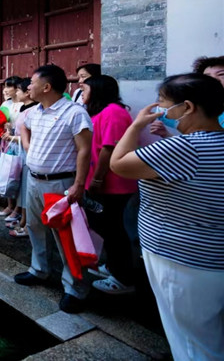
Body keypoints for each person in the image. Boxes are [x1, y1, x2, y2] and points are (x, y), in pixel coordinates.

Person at [110, 74, 224, 361]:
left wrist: (136, 125)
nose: (158, 109)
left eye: (162, 102)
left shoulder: (184, 148)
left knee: (191, 342)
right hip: (212, 256)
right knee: (210, 334)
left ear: (187, 107)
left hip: (182, 259)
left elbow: (119, 164)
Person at [15, 64, 93, 314]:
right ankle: (39, 270)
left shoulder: (74, 113)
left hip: (60, 184)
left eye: (32, 83)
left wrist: (79, 184)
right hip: (34, 179)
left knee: (66, 236)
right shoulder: (34, 112)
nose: (28, 87)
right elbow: (24, 127)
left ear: (47, 87)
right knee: (35, 227)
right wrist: (28, 147)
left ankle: (75, 289)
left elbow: (84, 150)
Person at [81, 75, 138, 295]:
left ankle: (123, 278)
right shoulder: (103, 111)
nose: (82, 93)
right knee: (106, 227)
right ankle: (113, 266)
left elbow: (109, 148)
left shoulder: (114, 112)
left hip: (112, 183)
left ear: (97, 90)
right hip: (102, 181)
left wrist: (97, 178)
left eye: (85, 89)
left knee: (113, 230)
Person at [150, 55, 224, 137]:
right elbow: (200, 142)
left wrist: (138, 126)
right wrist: (166, 134)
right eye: (207, 77)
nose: (214, 79)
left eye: (221, 74)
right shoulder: (201, 111)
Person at [3, 78, 38, 237]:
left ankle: (26, 223)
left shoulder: (34, 110)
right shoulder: (23, 108)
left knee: (27, 188)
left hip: (27, 153)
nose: (16, 93)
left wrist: (12, 138)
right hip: (20, 151)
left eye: (18, 90)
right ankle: (23, 220)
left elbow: (31, 138)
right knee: (22, 187)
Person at [0, 76, 23, 217]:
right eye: (5, 86)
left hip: (19, 142)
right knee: (8, 172)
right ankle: (9, 205)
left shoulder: (24, 105)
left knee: (19, 174)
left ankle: (18, 208)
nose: (5, 90)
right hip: (6, 142)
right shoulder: (5, 104)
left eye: (8, 87)